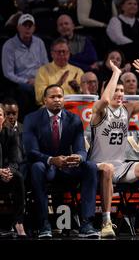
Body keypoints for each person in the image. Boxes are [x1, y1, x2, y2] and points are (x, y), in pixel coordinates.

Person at [89, 59, 139, 238]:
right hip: (97, 165)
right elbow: (106, 99)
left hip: (120, 165)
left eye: (122, 90)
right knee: (107, 168)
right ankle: (106, 223)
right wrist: (116, 72)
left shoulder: (128, 109)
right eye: (116, 89)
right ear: (106, 90)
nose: (119, 93)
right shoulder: (99, 110)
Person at [23, 84, 99, 239]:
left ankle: (86, 224)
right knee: (36, 167)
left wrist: (78, 157)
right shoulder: (31, 119)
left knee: (90, 166)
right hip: (45, 166)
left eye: (60, 96)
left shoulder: (74, 119)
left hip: (66, 167)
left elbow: (80, 149)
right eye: (52, 97)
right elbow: (31, 152)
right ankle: (44, 224)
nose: (57, 100)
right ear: (44, 100)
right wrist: (51, 160)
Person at [0, 104, 27, 237]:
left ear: (3, 118)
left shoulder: (11, 133)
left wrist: (8, 171)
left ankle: (18, 221)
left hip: (5, 174)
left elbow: (15, 159)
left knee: (18, 176)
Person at [34, 38, 84, 105]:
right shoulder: (43, 71)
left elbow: (85, 95)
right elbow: (39, 97)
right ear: (52, 54)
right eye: (58, 52)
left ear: (69, 53)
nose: (61, 54)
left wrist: (78, 89)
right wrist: (58, 85)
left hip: (74, 106)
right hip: (51, 107)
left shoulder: (78, 71)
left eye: (64, 51)